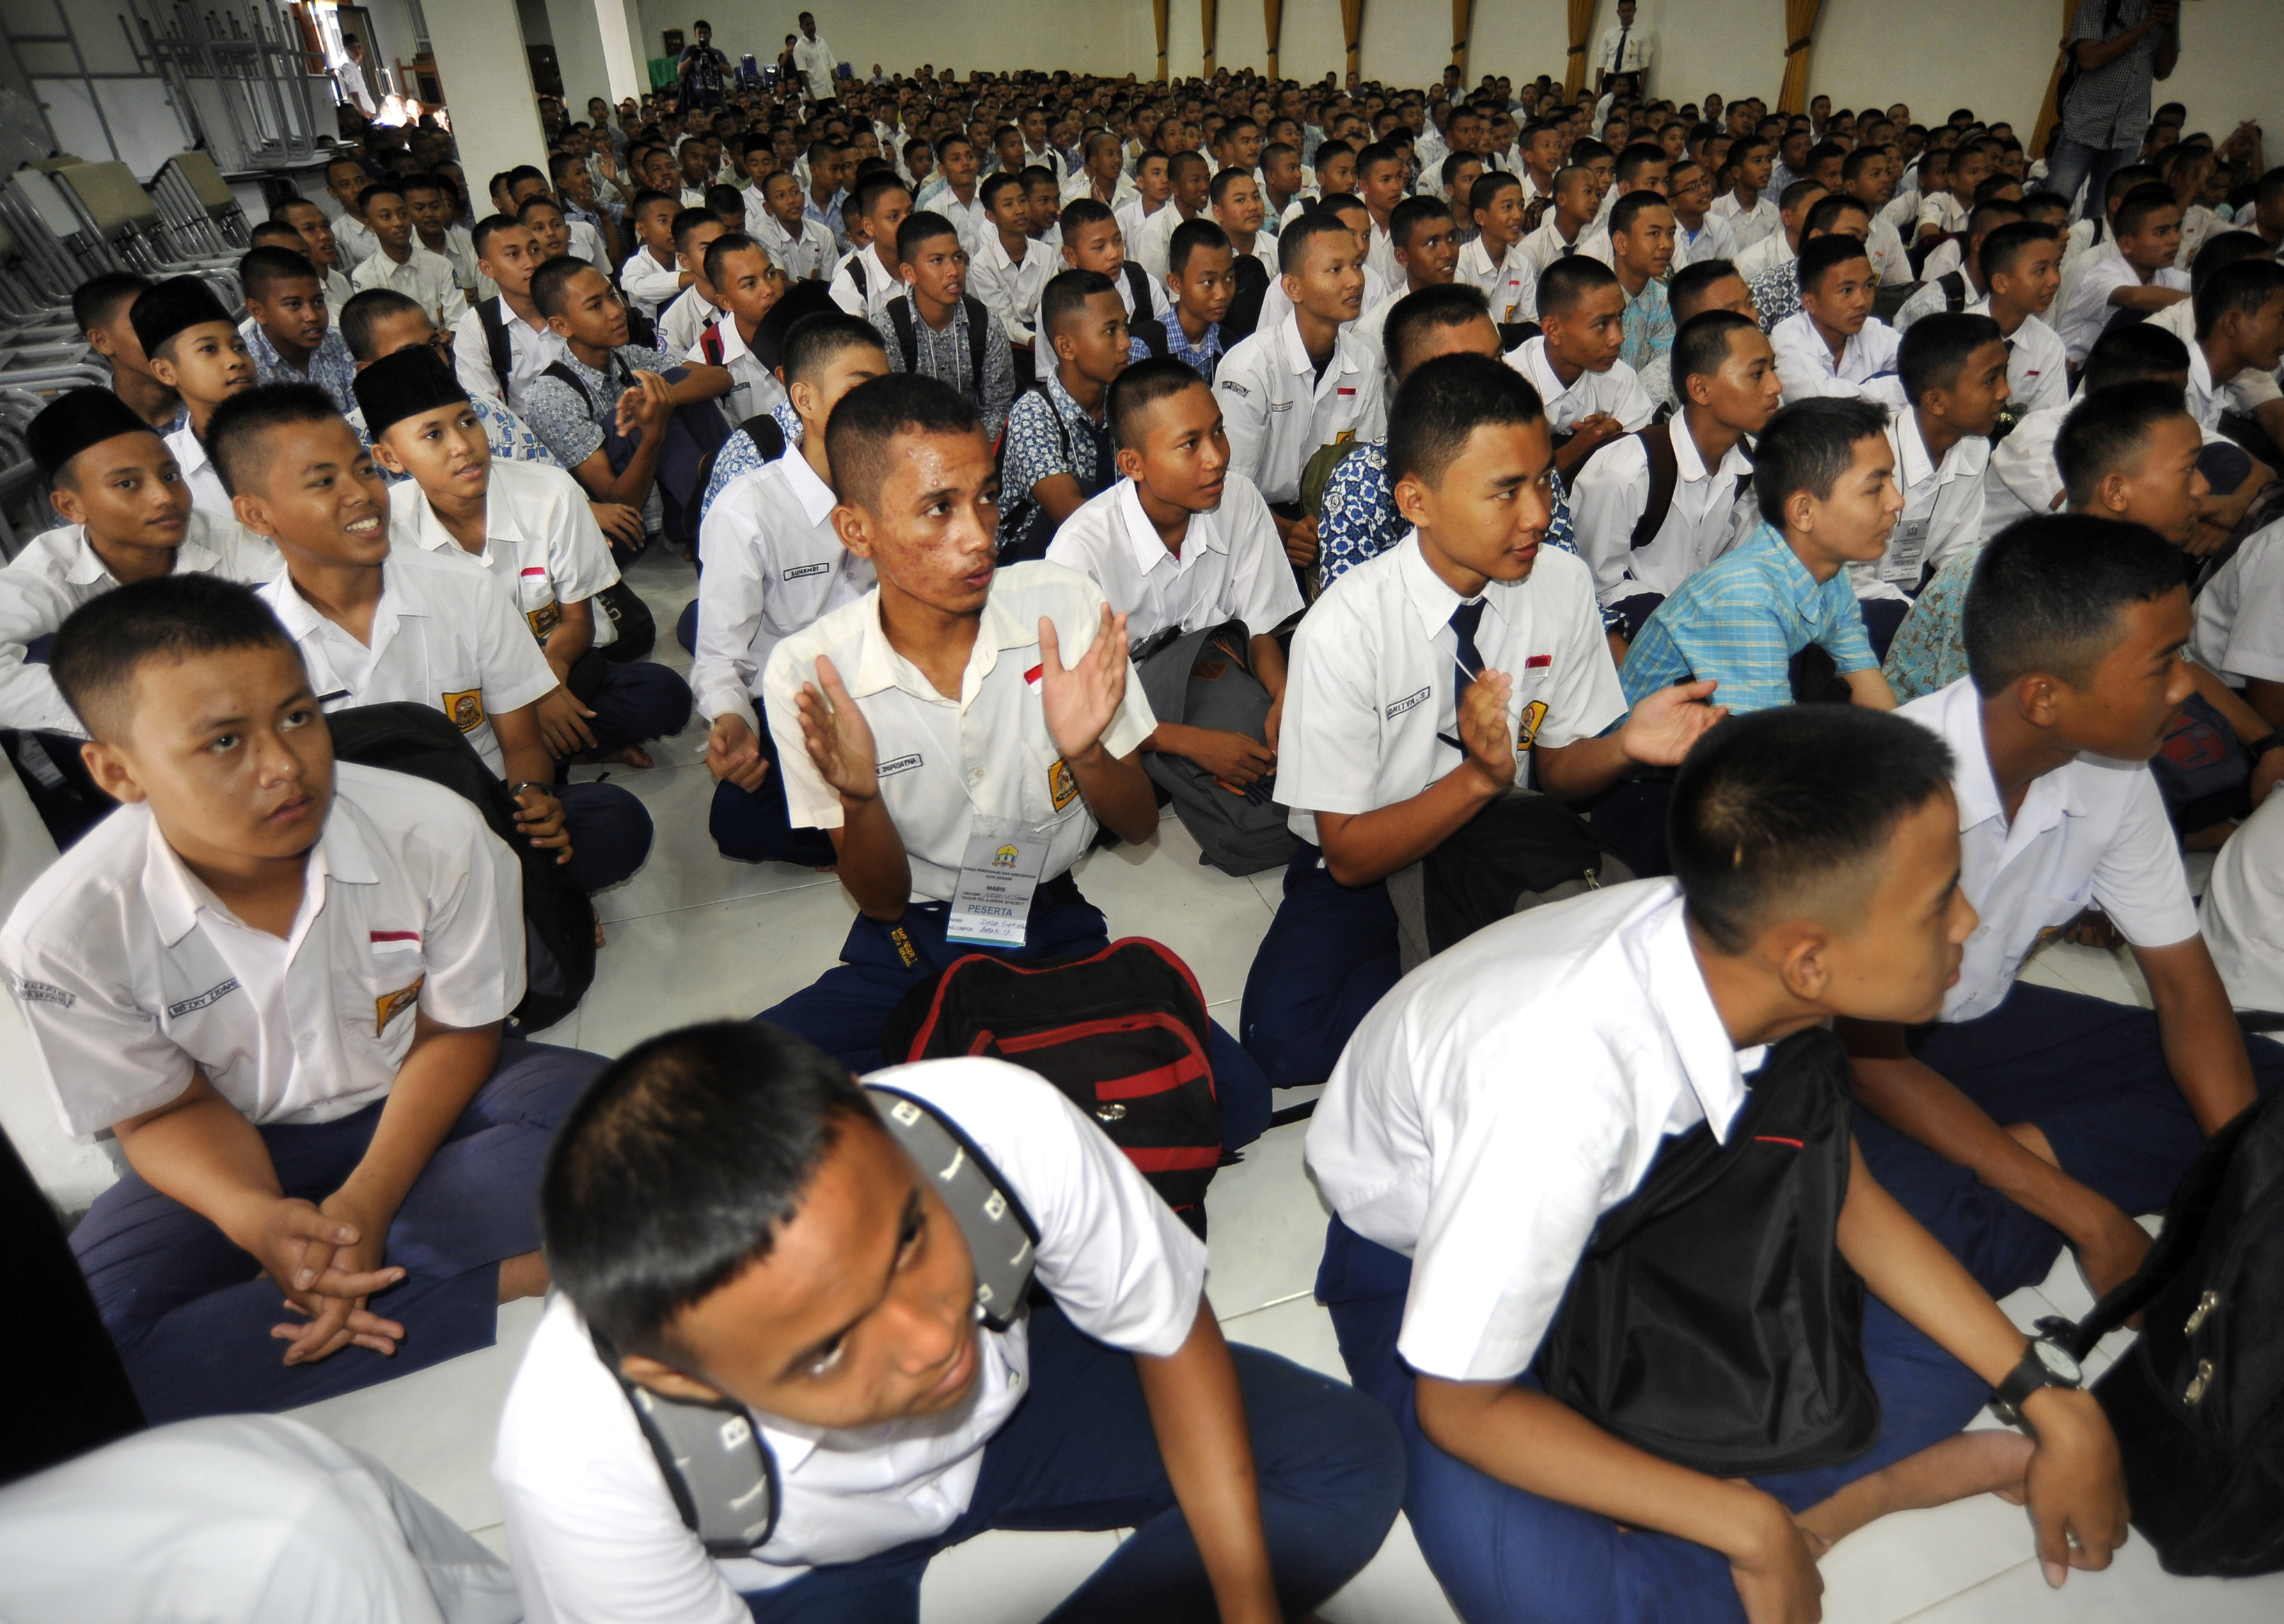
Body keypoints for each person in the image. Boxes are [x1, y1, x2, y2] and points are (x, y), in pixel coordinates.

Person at [1307, 703, 2132, 1624]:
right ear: (1810, 961)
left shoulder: (1753, 963)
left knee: (1940, 1332)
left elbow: (1845, 1199)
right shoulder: (1554, 1090)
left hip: (1647, 1194)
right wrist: (1747, 1525)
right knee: (1560, 1602)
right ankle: (1832, 1502)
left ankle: (1794, 1506)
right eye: (1940, 897)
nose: (1969, 921)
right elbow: (1462, 1407)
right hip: (1421, 1256)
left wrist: (2051, 1403)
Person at [492, 1020, 1403, 1621]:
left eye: (909, 1238)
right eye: (829, 1346)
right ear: (679, 1378)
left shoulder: (989, 1124)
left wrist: (1246, 1611)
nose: (934, 1340)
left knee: (1339, 1461)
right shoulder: (577, 1457)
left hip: (1019, 1415)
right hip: (789, 1569)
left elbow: (1167, 1328)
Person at [0, 571, 611, 1419]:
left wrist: (366, 1203)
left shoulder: (430, 829)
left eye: (298, 715)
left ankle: (309, 1287)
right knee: (81, 1357)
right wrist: (258, 1220)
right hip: (239, 1144)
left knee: (634, 1130)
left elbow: (457, 1034)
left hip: (432, 1101)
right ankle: (509, 1274)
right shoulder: (64, 932)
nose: (285, 765)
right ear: (116, 771)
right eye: (223, 743)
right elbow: (162, 1113)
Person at [746, 373, 1270, 1149]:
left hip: (1044, 916)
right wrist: (859, 800)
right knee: (743, 1089)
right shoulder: (812, 674)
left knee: (1234, 1101)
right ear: (856, 531)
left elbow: (1132, 825)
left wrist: (1087, 749)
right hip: (914, 935)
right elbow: (881, 899)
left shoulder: (1056, 605)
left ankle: (976, 1092)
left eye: (986, 497)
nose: (977, 533)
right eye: (937, 508)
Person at [1240, 354, 1720, 1089]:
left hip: (1508, 824)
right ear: (1416, 501)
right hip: (1380, 849)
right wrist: (1477, 777)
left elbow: (1557, 770)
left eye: (1541, 482)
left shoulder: (1556, 581)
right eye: (1504, 492)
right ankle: (1485, 976)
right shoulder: (1344, 627)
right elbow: (1347, 855)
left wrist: (1625, 743)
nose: (1537, 515)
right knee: (1282, 1035)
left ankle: (1478, 971)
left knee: (1672, 818)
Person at [1847, 514, 2284, 1316]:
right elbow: (1867, 1056)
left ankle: (2013, 1151)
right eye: (2162, 666)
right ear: (2044, 696)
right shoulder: (1890, 793)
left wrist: (2249, 1198)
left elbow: (2185, 990)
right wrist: (2092, 1219)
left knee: (2265, 1096)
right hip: (1849, 1060)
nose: (2186, 688)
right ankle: (2008, 1167)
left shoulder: (2112, 772)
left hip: (1972, 1027)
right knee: (1972, 1239)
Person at [213, 384, 654, 899]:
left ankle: (515, 900)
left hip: (482, 814)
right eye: (323, 481)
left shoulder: (464, 585)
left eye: (360, 469)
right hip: (353, 858)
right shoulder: (243, 650)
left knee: (616, 822)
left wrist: (532, 798)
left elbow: (522, 742)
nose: (360, 493)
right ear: (256, 515)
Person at [361, 346, 691, 774]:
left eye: (467, 421)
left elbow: (578, 622)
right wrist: (520, 703)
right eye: (433, 435)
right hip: (466, 703)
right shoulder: (386, 536)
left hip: (558, 664)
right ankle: (561, 750)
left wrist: (544, 688)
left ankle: (553, 748)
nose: (462, 445)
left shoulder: (549, 492)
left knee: (663, 696)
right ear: (389, 458)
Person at [0, 391, 278, 844]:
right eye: (128, 484)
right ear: (71, 507)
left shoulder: (229, 542)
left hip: (243, 729)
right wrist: (137, 707)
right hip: (133, 763)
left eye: (170, 474)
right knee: (50, 652)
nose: (163, 497)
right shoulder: (50, 570)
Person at [1046, 358, 1303, 786]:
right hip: (1127, 730)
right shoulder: (1080, 553)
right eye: (1190, 444)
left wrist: (1283, 696)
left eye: (1218, 431)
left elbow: (1261, 626)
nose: (1217, 457)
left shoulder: (1239, 499)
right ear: (1133, 465)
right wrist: (1196, 744)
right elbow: (1081, 707)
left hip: (1214, 684)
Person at [693, 313, 887, 867]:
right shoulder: (749, 507)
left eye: (886, 385)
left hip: (893, 680)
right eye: (860, 387)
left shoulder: (897, 478)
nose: (879, 404)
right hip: (804, 701)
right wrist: (731, 718)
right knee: (738, 819)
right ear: (805, 397)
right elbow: (720, 657)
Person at [1622, 396, 1900, 714]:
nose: (1897, 501)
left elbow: (1865, 681)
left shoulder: (1829, 571)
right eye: (1875, 488)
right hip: (1647, 756)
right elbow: (1768, 750)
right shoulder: (1745, 597)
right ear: (1803, 512)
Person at [1571, 310, 1775, 637]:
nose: (1775, 386)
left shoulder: (1750, 473)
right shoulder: (1626, 473)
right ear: (1700, 389)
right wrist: (1678, 621)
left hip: (1703, 628)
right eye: (1757, 374)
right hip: (1628, 636)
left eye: (1773, 370)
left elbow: (1734, 573)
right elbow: (1593, 589)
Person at [520, 255, 734, 532]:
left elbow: (720, 377)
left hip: (670, 498)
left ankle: (726, 495)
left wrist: (664, 397)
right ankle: (719, 516)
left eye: (612, 296)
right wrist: (651, 432)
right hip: (627, 525)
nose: (616, 311)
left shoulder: (627, 356)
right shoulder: (551, 398)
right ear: (561, 326)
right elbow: (619, 501)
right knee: (635, 416)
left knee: (673, 384)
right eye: (595, 306)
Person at [999, 271, 1127, 562]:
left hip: (1111, 556)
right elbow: (1069, 513)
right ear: (1066, 347)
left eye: (1125, 327)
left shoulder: (1125, 400)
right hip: (1033, 564)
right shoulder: (1033, 413)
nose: (1125, 343)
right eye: (1110, 331)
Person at [1503, 255, 1656, 488]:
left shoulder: (1620, 379)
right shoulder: (1508, 382)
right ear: (1553, 330)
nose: (1618, 338)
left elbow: (1643, 466)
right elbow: (1507, 482)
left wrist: (1619, 441)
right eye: (1602, 324)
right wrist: (1578, 449)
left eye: (1619, 318)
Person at [873, 212, 1018, 443]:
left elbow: (997, 407)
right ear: (909, 273)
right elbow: (890, 414)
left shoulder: (985, 322)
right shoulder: (888, 328)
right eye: (937, 260)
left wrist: (974, 452)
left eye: (958, 257)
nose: (953, 271)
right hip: (913, 452)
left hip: (975, 446)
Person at [2046, 0, 2182, 223]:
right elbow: (2089, 59)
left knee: (2104, 214)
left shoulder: (2162, 10)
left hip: (2129, 130)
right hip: (2085, 122)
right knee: (2054, 210)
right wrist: (2147, 24)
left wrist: (2170, 27)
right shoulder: (2097, 3)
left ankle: (2089, 257)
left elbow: (2163, 71)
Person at [133, 276, 255, 523]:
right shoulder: (165, 471)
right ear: (165, 372)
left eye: (239, 346)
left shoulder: (302, 432)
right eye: (209, 349)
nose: (235, 360)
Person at [2056, 181, 2189, 367]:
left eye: (2177, 228)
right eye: (2161, 232)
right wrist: (2200, 302)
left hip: (2113, 371)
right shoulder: (2101, 272)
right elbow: (2133, 297)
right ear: (2126, 244)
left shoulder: (2166, 274)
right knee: (2133, 317)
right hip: (2071, 374)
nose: (2175, 239)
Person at [1769, 234, 1908, 411]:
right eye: (1847, 290)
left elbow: (1926, 364)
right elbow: (1823, 404)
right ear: (1809, 303)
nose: (1862, 302)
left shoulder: (1872, 330)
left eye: (1868, 286)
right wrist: (1904, 388)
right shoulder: (1788, 339)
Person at [450, 216, 565, 413]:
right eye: (514, 254)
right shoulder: (477, 325)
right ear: (487, 268)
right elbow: (487, 409)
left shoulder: (570, 301)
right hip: (524, 433)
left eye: (535, 250)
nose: (530, 263)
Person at [237, 246, 359, 416]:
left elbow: (363, 421)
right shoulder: (245, 367)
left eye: (318, 301)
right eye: (294, 304)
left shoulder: (339, 343)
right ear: (258, 311)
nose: (311, 316)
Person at [1352, 196, 1459, 380]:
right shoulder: (1374, 330)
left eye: (1452, 238)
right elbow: (1370, 406)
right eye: (1432, 243)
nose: (1447, 252)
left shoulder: (1473, 309)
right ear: (1402, 257)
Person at [693, 233, 790, 423]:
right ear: (725, 301)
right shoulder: (708, 359)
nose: (768, 290)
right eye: (750, 284)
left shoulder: (809, 330)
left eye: (771, 274)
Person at [346, 182, 466, 329]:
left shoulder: (440, 264)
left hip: (446, 347)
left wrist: (451, 335)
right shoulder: (365, 276)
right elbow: (378, 330)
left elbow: (459, 319)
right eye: (386, 217)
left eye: (403, 214)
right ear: (369, 225)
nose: (398, 222)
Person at [1128, 217, 1234, 381]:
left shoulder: (1231, 347)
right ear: (1175, 284)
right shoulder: (1144, 349)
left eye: (1229, 278)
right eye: (1208, 282)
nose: (1221, 294)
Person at [75, 271, 180, 432]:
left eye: (162, 320)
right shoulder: (94, 431)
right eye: (143, 326)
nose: (163, 334)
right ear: (101, 342)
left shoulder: (212, 391)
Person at [1607, 190, 1678, 374]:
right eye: (1654, 233)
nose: (1667, 244)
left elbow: (1662, 373)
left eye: (1670, 234)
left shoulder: (1663, 303)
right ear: (1621, 243)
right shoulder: (1590, 297)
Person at [828, 172, 913, 321]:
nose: (906, 222)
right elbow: (851, 343)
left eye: (910, 212)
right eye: (894, 217)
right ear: (869, 227)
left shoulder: (928, 261)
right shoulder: (851, 283)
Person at [1456, 171, 1533, 326]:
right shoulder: (1461, 262)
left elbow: (1529, 325)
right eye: (1507, 207)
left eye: (1521, 205)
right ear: (1481, 217)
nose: (1518, 215)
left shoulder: (1522, 265)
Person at [751, 168, 837, 284]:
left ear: (803, 196)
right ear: (768, 207)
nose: (791, 200)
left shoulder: (823, 233)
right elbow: (779, 283)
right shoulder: (764, 234)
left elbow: (831, 282)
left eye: (795, 192)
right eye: (781, 196)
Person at [271, 200, 357, 314]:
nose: (324, 236)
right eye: (309, 229)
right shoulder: (286, 293)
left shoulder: (339, 280)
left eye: (326, 226)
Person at [620, 193, 688, 324]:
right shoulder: (635, 265)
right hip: (654, 339)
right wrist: (693, 276)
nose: (673, 228)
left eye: (676, 220)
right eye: (663, 221)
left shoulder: (687, 258)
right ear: (642, 229)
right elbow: (640, 288)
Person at [1710, 136, 1780, 250]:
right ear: (1737, 172)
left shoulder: (1772, 213)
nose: (1767, 167)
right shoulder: (1715, 211)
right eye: (1758, 161)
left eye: (1769, 160)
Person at [322, 155, 377, 269]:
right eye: (345, 185)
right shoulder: (336, 235)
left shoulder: (393, 217)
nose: (357, 189)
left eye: (361, 181)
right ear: (333, 193)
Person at [1595, 1, 1655, 96]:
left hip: (1630, 78)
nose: (1626, 14)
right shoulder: (1609, 34)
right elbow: (1601, 62)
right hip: (1610, 77)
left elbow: (1645, 64)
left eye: (1629, 10)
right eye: (1623, 11)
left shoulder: (1642, 35)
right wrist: (1597, 89)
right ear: (1618, 12)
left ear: (1635, 11)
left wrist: (1641, 90)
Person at [676, 18, 730, 109]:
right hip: (697, 101)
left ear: (710, 34)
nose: (703, 36)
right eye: (700, 33)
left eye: (705, 33)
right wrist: (692, 57)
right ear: (695, 34)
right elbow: (680, 71)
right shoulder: (689, 51)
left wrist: (716, 62)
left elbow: (730, 74)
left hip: (718, 99)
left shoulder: (717, 53)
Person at [791, 10, 837, 105]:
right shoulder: (799, 47)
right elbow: (802, 73)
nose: (811, 27)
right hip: (815, 96)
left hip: (829, 93)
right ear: (801, 27)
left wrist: (839, 87)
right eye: (807, 25)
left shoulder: (822, 42)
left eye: (813, 23)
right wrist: (811, 96)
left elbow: (832, 67)